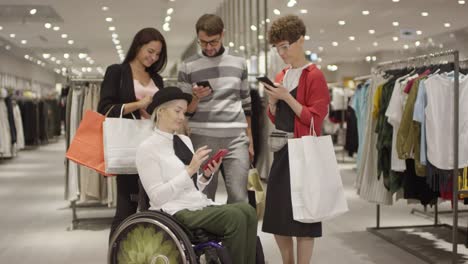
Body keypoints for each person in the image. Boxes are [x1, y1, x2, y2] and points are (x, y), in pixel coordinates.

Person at [136, 87, 257, 264]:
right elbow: (157, 197)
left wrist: (206, 176)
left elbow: (192, 187)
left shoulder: (184, 141)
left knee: (248, 210)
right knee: (235, 217)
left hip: (196, 204)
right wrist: (190, 170)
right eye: (177, 111)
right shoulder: (147, 149)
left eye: (184, 112)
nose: (181, 117)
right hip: (174, 210)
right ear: (160, 111)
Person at [260, 15, 330, 264]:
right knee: (278, 217)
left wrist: (287, 98)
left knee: (304, 218)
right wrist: (272, 101)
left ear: (300, 41)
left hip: (304, 154)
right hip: (281, 151)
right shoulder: (282, 74)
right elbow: (274, 117)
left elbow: (315, 118)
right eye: (277, 47)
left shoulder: (314, 76)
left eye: (285, 46)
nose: (281, 52)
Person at [98, 27, 167, 238]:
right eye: (150, 51)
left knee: (155, 209)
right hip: (130, 147)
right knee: (126, 210)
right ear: (138, 46)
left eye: (157, 54)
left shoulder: (157, 78)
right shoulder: (117, 72)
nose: (153, 57)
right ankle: (117, 255)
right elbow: (104, 110)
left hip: (156, 147)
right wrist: (138, 104)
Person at [178, 14, 253, 203]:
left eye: (213, 42)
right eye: (203, 43)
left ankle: (235, 233)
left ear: (223, 35)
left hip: (236, 138)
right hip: (202, 138)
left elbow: (246, 103)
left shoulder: (239, 62)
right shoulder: (188, 65)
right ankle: (206, 234)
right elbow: (185, 111)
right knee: (202, 197)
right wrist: (195, 97)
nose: (209, 48)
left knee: (239, 197)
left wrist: (249, 138)